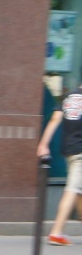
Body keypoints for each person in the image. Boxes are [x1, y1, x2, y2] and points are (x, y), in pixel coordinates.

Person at [37, 82, 82, 245]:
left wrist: (43, 144)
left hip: (69, 150)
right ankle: (56, 232)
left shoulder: (68, 96)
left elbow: (55, 119)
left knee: (77, 188)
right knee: (72, 189)